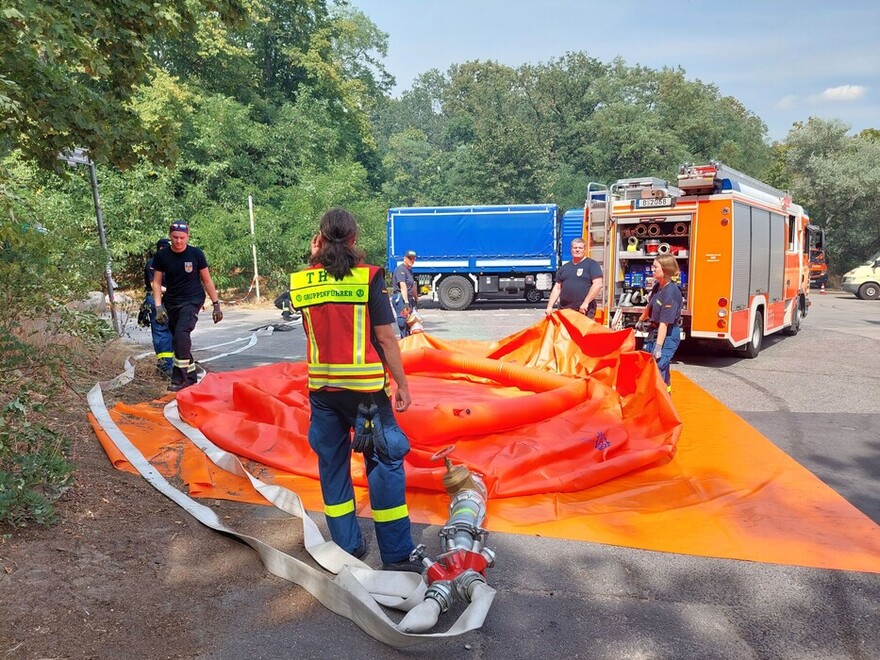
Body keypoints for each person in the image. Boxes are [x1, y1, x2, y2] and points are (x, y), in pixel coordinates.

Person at [290, 208, 421, 572]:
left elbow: (311, 332)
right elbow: (385, 337)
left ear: (319, 239)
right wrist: (402, 383)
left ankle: (347, 547)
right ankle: (395, 554)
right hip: (366, 394)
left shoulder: (303, 282)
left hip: (323, 391)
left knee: (332, 466)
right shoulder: (369, 277)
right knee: (384, 463)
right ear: (353, 239)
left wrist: (313, 258)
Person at [152, 221, 223, 392]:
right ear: (170, 236)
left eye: (182, 238)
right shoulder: (162, 256)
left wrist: (216, 304)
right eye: (175, 237)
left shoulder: (196, 254)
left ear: (188, 237)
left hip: (192, 300)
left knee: (181, 336)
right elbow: (156, 282)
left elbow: (207, 280)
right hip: (171, 301)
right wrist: (158, 307)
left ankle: (179, 379)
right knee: (178, 340)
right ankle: (191, 376)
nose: (178, 241)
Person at [636, 254, 684, 393]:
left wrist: (658, 347)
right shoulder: (658, 287)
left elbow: (665, 324)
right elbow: (650, 305)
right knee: (650, 365)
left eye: (655, 267)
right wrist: (641, 319)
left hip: (668, 335)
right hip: (655, 331)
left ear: (666, 269)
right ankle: (664, 394)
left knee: (658, 366)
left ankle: (659, 399)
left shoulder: (670, 294)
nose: (652, 269)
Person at [545, 238, 604, 318]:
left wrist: (586, 303)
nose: (577, 250)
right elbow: (557, 288)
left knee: (583, 331)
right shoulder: (564, 268)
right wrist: (549, 307)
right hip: (565, 311)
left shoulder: (592, 265)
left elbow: (598, 284)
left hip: (583, 311)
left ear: (584, 249)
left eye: (580, 248)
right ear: (571, 249)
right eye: (575, 248)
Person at [143, 238, 174, 377]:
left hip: (169, 299)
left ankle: (169, 364)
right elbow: (154, 285)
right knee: (162, 332)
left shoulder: (170, 262)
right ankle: (166, 365)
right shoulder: (153, 263)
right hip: (157, 299)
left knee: (171, 331)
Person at [391, 250, 418, 338]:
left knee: (409, 320)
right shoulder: (400, 269)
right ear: (405, 258)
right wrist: (406, 302)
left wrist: (416, 298)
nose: (412, 260)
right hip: (401, 298)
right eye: (410, 258)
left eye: (413, 259)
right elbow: (403, 286)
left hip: (408, 297)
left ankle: (408, 340)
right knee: (403, 320)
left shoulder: (409, 270)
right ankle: (404, 340)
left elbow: (413, 285)